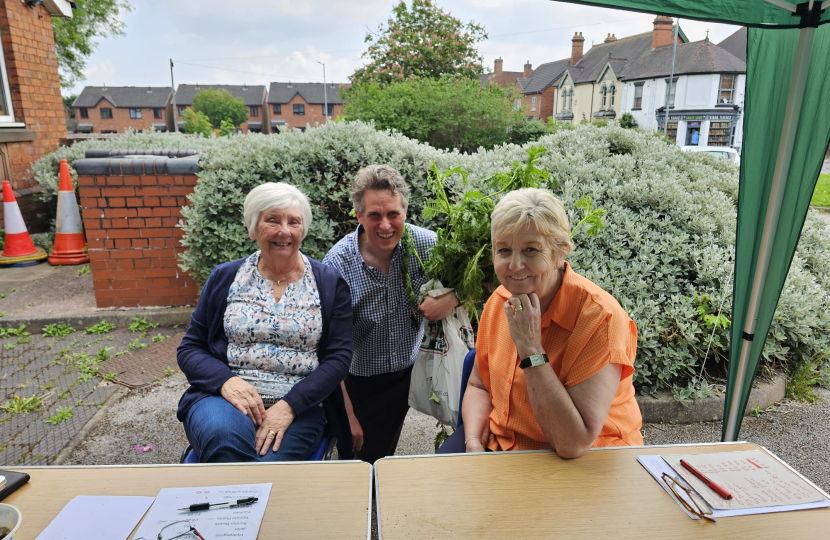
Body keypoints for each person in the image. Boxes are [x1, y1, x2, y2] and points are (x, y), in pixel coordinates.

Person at [438, 188, 643, 458]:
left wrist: (530, 348)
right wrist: (474, 441)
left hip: (591, 460)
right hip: (503, 446)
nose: (514, 265)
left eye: (530, 250)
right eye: (504, 250)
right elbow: (478, 385)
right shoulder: (499, 301)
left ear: (560, 252)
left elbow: (573, 443)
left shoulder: (600, 321)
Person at [177, 182, 353, 462]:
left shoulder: (329, 284)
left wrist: (290, 406)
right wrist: (227, 382)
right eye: (272, 220)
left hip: (299, 408)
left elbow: (339, 358)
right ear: (253, 228)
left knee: (265, 467)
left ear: (303, 230)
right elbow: (190, 348)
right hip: (225, 400)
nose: (284, 231)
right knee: (226, 442)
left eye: (293, 222)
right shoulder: (225, 277)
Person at [323, 165, 458, 463]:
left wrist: (453, 297)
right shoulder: (338, 264)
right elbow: (328, 347)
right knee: (355, 453)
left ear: (406, 211)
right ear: (359, 215)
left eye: (393, 214)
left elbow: (486, 278)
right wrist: (347, 412)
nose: (385, 225)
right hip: (359, 379)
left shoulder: (427, 245)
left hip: (410, 370)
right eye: (374, 215)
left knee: (381, 452)